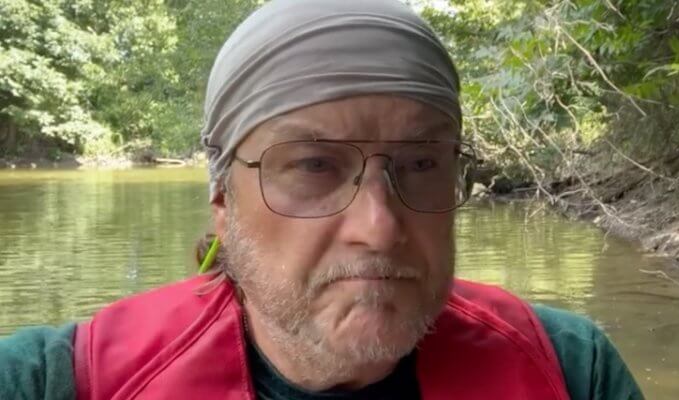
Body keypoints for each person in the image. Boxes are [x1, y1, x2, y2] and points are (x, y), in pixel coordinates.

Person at [0, 1, 644, 399]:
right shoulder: (51, 381)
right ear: (222, 196)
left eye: (421, 164)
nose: (380, 226)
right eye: (312, 165)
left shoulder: (572, 369)